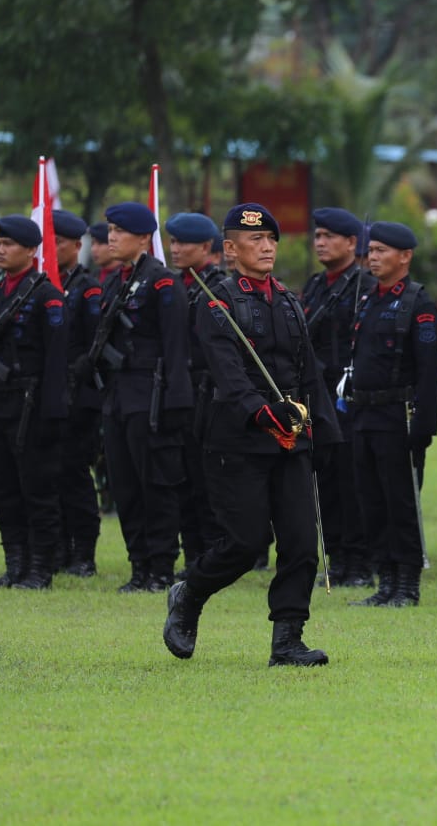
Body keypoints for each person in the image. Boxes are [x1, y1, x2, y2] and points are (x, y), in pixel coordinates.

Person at [163, 203, 341, 666]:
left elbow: (308, 372)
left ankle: (287, 641)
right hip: (238, 439)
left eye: (271, 240)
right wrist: (262, 413)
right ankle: (190, 593)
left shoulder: (288, 300)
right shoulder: (216, 301)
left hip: (291, 438)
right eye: (255, 240)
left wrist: (325, 431)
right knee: (245, 544)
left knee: (301, 543)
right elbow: (228, 374)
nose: (266, 248)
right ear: (229, 249)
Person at [80, 203, 192, 592]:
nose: (111, 238)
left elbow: (177, 349)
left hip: (151, 397)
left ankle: (160, 568)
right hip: (117, 397)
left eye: (119, 231)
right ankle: (139, 566)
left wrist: (177, 404)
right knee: (124, 486)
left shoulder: (163, 283)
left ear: (144, 238)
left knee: (155, 484)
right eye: (109, 230)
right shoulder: (115, 281)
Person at [346, 222, 437, 607]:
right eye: (371, 250)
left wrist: (424, 426)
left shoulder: (418, 303)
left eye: (382, 250)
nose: (373, 257)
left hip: (397, 416)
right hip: (364, 414)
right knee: (371, 501)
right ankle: (385, 580)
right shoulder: (368, 299)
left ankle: (407, 584)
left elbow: (429, 371)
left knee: (401, 502)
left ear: (405, 256)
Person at [0, 216, 69, 588]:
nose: (1, 250)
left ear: (32, 250)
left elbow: (56, 361)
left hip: (30, 408)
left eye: (9, 245)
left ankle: (40, 568)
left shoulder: (46, 295)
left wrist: (53, 414)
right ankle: (15, 564)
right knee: (2, 489)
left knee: (37, 491)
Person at [300, 207, 373, 586]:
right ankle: (337, 556)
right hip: (316, 395)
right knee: (324, 479)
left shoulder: (364, 285)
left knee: (352, 481)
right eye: (318, 236)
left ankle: (359, 561)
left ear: (351, 243)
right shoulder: (316, 285)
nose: (321, 242)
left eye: (329, 236)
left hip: (348, 395)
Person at [167, 212, 226, 579]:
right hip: (179, 391)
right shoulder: (174, 285)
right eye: (172, 242)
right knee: (182, 479)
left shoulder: (219, 287)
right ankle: (193, 556)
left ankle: (211, 557)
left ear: (206, 247)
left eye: (183, 243)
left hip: (208, 395)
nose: (175, 249)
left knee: (208, 482)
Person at [51, 209, 102, 576]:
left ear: (74, 245)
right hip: (49, 396)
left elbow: (94, 344)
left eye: (57, 242)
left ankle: (83, 552)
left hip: (79, 397)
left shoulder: (87, 288)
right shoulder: (44, 285)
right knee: (50, 474)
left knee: (75, 473)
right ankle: (58, 548)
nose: (50, 249)